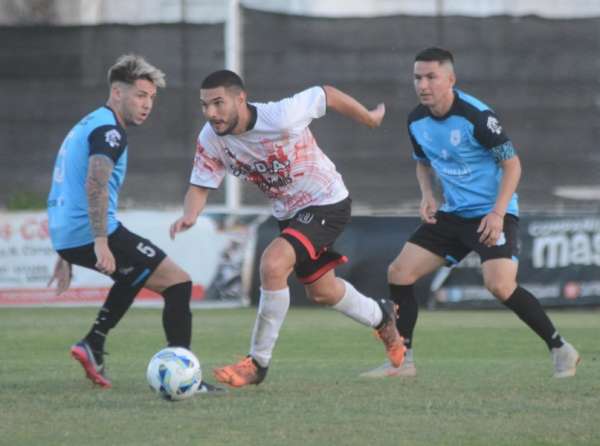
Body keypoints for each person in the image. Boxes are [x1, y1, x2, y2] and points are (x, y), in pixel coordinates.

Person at [170, 70, 405, 388]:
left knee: (273, 263)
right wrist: (190, 214)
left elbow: (327, 93)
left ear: (241, 99)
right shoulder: (211, 138)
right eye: (205, 105)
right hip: (290, 214)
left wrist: (369, 119)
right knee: (322, 291)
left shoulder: (281, 116)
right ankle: (382, 315)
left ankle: (258, 363)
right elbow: (200, 183)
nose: (211, 113)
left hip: (326, 202)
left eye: (218, 103)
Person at [361, 47, 580, 379]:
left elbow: (512, 165)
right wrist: (427, 196)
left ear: (451, 79)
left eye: (431, 77)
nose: (423, 84)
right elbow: (422, 162)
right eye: (417, 77)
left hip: (492, 212)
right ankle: (403, 362)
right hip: (452, 214)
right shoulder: (416, 120)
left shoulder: (477, 116)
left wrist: (497, 213)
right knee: (399, 273)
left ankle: (561, 349)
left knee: (500, 285)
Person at [46, 54, 222, 393]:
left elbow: (65, 180)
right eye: (140, 95)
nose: (147, 105)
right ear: (116, 93)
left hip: (69, 231)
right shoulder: (109, 131)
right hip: (92, 230)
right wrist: (99, 241)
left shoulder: (87, 123)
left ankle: (93, 343)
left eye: (151, 98)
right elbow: (94, 183)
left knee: (135, 273)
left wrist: (66, 249)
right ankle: (185, 374)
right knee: (178, 282)